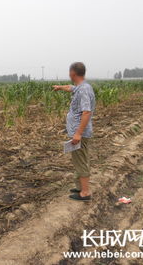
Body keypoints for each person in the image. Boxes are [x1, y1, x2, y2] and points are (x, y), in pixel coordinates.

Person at [52, 62, 95, 201]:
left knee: (81, 161)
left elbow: (87, 112)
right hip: (78, 132)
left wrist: (78, 133)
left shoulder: (83, 90)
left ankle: (85, 193)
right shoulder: (81, 87)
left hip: (80, 133)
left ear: (73, 73)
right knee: (78, 160)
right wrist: (60, 87)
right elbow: (71, 88)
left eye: (69, 72)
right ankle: (80, 187)